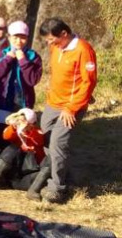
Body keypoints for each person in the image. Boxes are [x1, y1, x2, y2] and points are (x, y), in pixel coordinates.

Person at [34, 18, 97, 204]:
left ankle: (57, 188)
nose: (49, 43)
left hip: (71, 106)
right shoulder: (56, 47)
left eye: (51, 39)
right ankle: (61, 174)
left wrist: (72, 107)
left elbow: (88, 82)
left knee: (58, 142)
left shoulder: (83, 50)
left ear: (64, 34)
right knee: (46, 138)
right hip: (53, 103)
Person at [0, 20, 42, 152]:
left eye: (22, 37)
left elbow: (32, 80)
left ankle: (17, 162)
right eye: (15, 37)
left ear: (27, 38)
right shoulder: (2, 53)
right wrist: (8, 58)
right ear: (9, 37)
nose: (18, 41)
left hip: (22, 103)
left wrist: (23, 61)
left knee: (19, 136)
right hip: (0, 101)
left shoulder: (33, 56)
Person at [0, 108, 45, 191]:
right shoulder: (16, 130)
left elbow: (39, 141)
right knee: (12, 148)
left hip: (28, 171)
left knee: (39, 176)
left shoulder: (38, 132)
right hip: (14, 168)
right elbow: (6, 136)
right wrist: (14, 127)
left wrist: (29, 131)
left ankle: (6, 182)